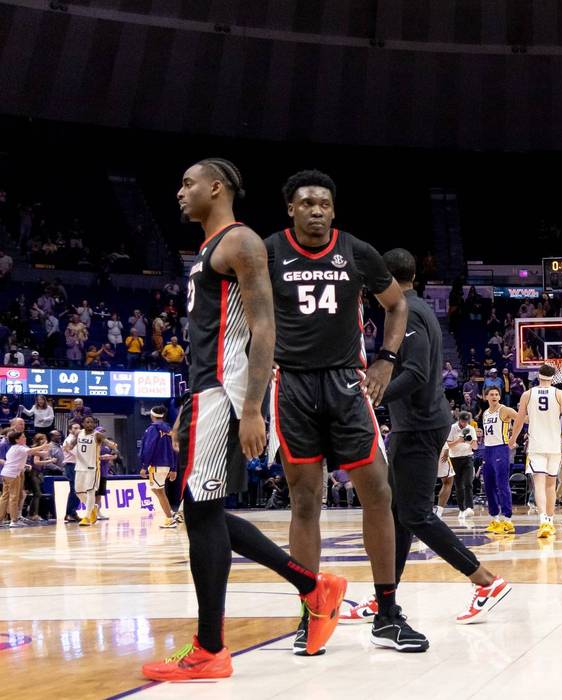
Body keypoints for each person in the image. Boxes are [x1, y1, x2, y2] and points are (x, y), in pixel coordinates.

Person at [142, 159, 346, 681]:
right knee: (200, 513)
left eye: (188, 183)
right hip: (204, 392)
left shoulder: (242, 242)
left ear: (217, 187)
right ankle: (310, 585)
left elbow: (264, 329)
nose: (180, 192)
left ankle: (210, 649)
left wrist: (252, 407)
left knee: (202, 514)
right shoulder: (210, 249)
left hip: (224, 392)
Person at [264, 169, 407, 655]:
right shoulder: (268, 252)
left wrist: (386, 359)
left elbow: (396, 305)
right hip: (293, 385)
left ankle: (387, 612)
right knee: (305, 501)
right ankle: (313, 612)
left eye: (324, 203)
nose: (317, 211)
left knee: (378, 492)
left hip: (347, 382)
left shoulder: (356, 251)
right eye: (307, 203)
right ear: (291, 209)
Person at [344, 248, 510, 629]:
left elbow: (416, 373)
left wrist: (374, 391)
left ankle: (485, 580)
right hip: (413, 424)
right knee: (398, 514)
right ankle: (384, 598)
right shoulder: (411, 308)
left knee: (414, 513)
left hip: (419, 424)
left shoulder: (410, 312)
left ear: (385, 278)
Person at [509, 363, 562, 538]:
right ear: (554, 377)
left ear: (538, 376)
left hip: (536, 445)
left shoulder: (527, 394)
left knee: (539, 484)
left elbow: (518, 421)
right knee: (551, 484)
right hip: (554, 445)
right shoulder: (559, 393)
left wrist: (512, 440)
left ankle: (543, 521)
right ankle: (550, 520)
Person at [479, 387, 518, 534]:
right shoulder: (485, 413)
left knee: (502, 484)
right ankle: (495, 518)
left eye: (496, 394)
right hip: (487, 450)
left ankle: (507, 520)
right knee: (488, 485)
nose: (494, 396)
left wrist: (514, 437)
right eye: (491, 394)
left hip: (501, 448)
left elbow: (522, 419)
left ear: (500, 397)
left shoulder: (505, 410)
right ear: (486, 397)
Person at [139, 405, 180, 528]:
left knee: (160, 491)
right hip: (167, 464)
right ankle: (171, 513)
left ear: (152, 416)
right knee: (156, 489)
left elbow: (148, 448)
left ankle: (170, 518)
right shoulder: (169, 429)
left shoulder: (152, 429)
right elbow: (175, 450)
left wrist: (144, 466)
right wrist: (173, 468)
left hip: (156, 464)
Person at [3, 430, 53, 527]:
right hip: (13, 474)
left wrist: (44, 452)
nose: (25, 438)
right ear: (17, 440)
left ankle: (3, 518)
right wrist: (43, 446)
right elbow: (31, 451)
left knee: (8, 496)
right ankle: (14, 520)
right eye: (23, 437)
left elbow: (34, 453)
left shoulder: (17, 447)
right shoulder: (19, 448)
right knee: (14, 497)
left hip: (8, 473)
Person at [72, 416, 115, 527]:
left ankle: (87, 517)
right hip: (80, 467)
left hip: (92, 468)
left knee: (90, 491)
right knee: (78, 492)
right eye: (87, 422)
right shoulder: (79, 434)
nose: (90, 424)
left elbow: (111, 445)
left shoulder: (97, 435)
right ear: (83, 423)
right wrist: (67, 447)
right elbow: (71, 444)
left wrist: (112, 446)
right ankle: (93, 508)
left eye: (92, 422)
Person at [444, 412, 479, 518]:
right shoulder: (452, 428)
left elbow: (476, 447)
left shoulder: (471, 428)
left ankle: (469, 507)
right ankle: (462, 509)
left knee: (468, 483)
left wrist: (470, 442)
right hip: (454, 459)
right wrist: (459, 441)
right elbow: (448, 445)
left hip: (467, 457)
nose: (464, 423)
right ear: (459, 420)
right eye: (462, 421)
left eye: (466, 421)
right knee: (459, 485)